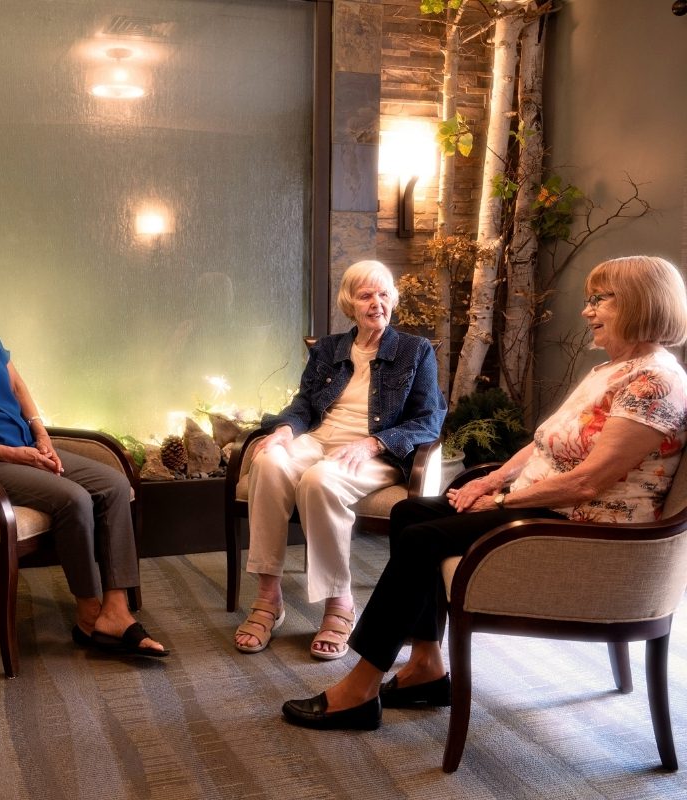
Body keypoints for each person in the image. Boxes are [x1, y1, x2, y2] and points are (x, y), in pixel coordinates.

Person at [281, 254, 687, 728]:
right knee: (410, 514)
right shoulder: (612, 371)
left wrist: (498, 500)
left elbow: (587, 482)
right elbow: (543, 444)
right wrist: (491, 479)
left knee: (421, 538)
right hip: (555, 507)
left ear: (640, 303)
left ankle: (360, 686)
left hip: (586, 528)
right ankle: (426, 666)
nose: (587, 310)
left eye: (600, 299)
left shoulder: (654, 381)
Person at [0, 240, 168, 658]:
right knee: (74, 499)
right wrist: (16, 455)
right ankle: (88, 612)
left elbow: (17, 385)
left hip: (25, 445)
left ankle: (115, 607)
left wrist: (40, 435)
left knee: (113, 484)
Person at [234, 260, 446, 659]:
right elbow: (303, 403)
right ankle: (268, 597)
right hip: (319, 438)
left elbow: (429, 419)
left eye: (384, 294)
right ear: (350, 303)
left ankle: (339, 603)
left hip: (373, 449)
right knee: (268, 460)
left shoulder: (414, 351)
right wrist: (284, 430)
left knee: (319, 480)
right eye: (366, 295)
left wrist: (374, 443)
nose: (376, 303)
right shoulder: (329, 349)